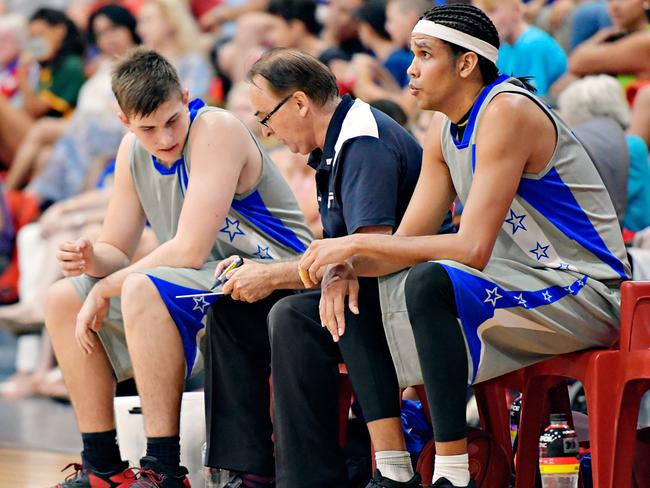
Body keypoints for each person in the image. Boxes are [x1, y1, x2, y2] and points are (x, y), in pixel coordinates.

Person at [298, 5, 631, 488]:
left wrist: (350, 245)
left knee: (432, 280)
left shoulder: (508, 110)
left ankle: (453, 474)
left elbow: (472, 248)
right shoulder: (442, 128)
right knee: (356, 286)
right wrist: (346, 264)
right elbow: (404, 241)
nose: (410, 66)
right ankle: (392, 470)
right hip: (523, 283)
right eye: (412, 53)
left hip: (586, 288)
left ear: (466, 63)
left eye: (424, 54)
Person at [44, 47, 312, 487]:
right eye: (147, 128)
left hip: (277, 274)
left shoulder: (216, 128)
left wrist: (107, 284)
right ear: (125, 123)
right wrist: (92, 258)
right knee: (61, 299)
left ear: (186, 98)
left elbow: (188, 250)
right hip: (202, 277)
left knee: (139, 288)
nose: (164, 138)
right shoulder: (132, 149)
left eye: (172, 121)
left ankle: (164, 469)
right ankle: (104, 469)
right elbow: (117, 245)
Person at [213, 47, 452, 487]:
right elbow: (339, 255)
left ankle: (311, 478)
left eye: (266, 116)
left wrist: (273, 276)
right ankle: (248, 471)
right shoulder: (335, 141)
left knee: (291, 316)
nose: (265, 131)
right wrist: (263, 270)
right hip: (376, 286)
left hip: (409, 296)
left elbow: (372, 251)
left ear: (300, 103)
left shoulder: (362, 141)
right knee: (231, 306)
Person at [474, 0, 568, 97]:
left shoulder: (534, 44)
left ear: (516, 10)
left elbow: (532, 100)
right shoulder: (503, 48)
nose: (485, 21)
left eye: (492, 11)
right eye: (481, 14)